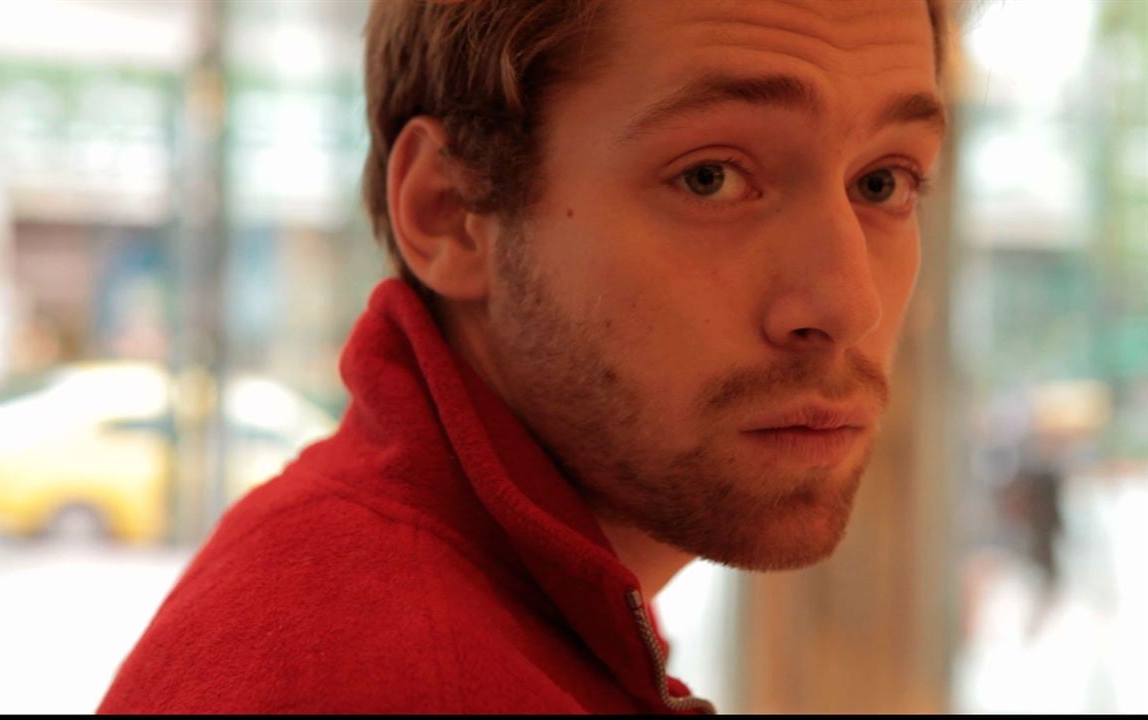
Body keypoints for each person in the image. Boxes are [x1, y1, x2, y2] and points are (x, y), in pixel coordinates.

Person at [99, 0, 949, 713]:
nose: (848, 304)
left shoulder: (474, 610)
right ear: (448, 210)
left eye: (885, 182)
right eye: (711, 177)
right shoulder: (373, 675)